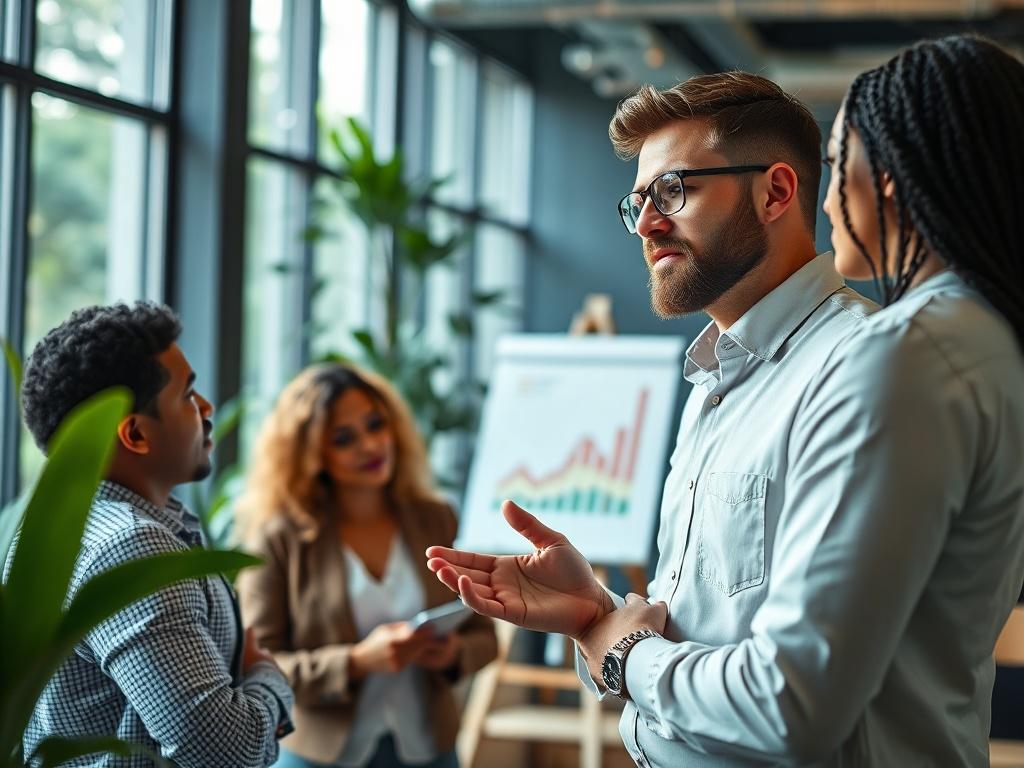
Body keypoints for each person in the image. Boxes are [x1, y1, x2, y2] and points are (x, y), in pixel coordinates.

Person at [427, 35, 1024, 767]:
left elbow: (791, 700)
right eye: (638, 201)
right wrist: (597, 616)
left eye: (673, 191)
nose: (646, 223)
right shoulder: (716, 376)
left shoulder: (878, 360)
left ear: (776, 192)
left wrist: (626, 653)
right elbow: (722, 629)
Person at [6, 301, 293, 767]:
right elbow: (226, 754)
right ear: (135, 434)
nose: (206, 408)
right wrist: (266, 676)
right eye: (188, 394)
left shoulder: (59, 528)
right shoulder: (133, 547)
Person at [235, 363, 497, 768]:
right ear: (312, 454)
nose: (371, 446)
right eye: (344, 438)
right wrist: (356, 662)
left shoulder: (436, 518)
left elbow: (485, 635)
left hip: (429, 749)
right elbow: (259, 667)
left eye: (376, 425)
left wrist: (452, 654)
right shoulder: (279, 538)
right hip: (319, 755)